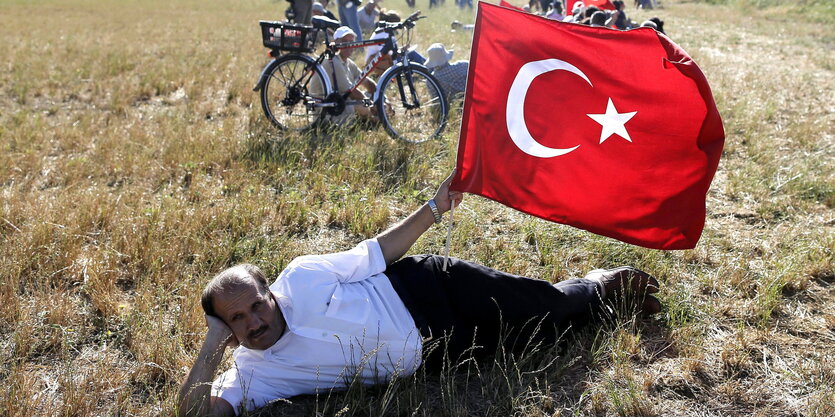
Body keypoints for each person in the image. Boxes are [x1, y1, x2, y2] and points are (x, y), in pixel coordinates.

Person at [178, 174, 663, 416]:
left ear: (270, 293)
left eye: (256, 305)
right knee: (539, 341)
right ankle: (606, 307)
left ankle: (598, 284)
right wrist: (211, 346)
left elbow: (379, 253)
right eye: (237, 320)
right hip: (436, 355)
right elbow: (197, 414)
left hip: (426, 287)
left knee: (546, 307)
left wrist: (434, 205)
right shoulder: (255, 374)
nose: (254, 322)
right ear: (228, 331)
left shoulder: (303, 277)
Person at [308, 26, 377, 125]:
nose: (349, 45)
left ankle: (375, 115)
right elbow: (352, 93)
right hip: (325, 112)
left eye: (351, 42)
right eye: (344, 41)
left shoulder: (348, 62)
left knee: (371, 97)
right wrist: (373, 106)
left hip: (341, 103)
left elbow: (366, 82)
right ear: (336, 42)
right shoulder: (332, 62)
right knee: (362, 105)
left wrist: (381, 98)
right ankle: (376, 120)